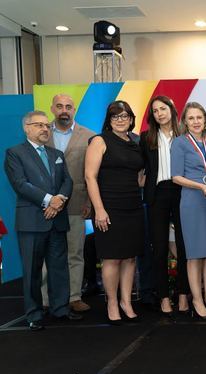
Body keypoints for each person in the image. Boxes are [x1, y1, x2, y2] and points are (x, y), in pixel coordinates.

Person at [4, 110, 82, 331]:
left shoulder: (55, 153)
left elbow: (67, 181)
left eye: (46, 125)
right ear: (26, 128)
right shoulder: (14, 153)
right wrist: (50, 200)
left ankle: (60, 309)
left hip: (57, 220)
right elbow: (20, 184)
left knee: (59, 268)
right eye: (38, 125)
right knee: (32, 271)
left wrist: (60, 200)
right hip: (32, 221)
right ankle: (34, 315)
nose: (44, 129)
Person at [85, 101, 145, 324]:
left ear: (131, 118)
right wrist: (99, 210)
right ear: (109, 120)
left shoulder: (135, 142)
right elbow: (90, 177)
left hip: (133, 206)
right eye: (115, 116)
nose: (121, 120)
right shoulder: (99, 141)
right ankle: (111, 302)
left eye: (125, 116)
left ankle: (126, 302)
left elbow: (138, 178)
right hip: (108, 207)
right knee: (111, 258)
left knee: (130, 258)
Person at [171, 102, 206, 319]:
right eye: (191, 118)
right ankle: (197, 300)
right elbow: (176, 177)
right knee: (195, 255)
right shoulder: (179, 143)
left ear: (205, 120)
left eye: (199, 117)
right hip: (193, 200)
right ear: (185, 121)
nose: (195, 121)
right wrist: (200, 185)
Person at [40, 94, 95, 313]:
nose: (65, 110)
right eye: (60, 106)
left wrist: (90, 201)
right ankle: (44, 299)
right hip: (45, 205)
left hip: (76, 203)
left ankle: (74, 296)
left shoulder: (89, 136)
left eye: (69, 107)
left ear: (74, 110)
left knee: (75, 253)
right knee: (45, 253)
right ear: (52, 108)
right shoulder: (42, 134)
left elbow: (93, 174)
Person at [140, 95, 190, 317]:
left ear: (172, 109)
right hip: (157, 195)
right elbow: (140, 168)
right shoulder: (146, 138)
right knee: (159, 249)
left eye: (163, 108)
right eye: (155, 110)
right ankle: (163, 297)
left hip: (182, 193)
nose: (159, 113)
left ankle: (182, 294)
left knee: (184, 246)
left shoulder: (186, 136)